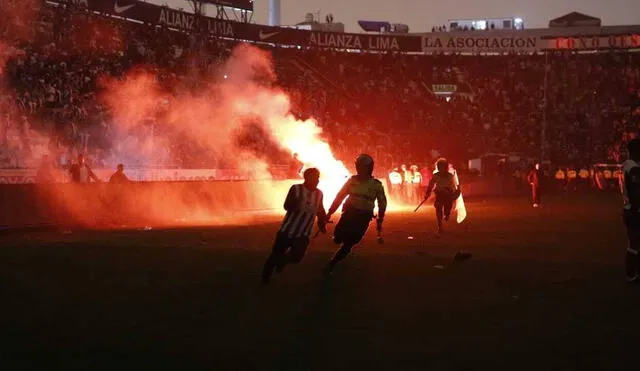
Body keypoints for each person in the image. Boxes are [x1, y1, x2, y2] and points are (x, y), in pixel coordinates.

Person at [324, 154, 387, 275]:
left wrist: (380, 218)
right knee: (338, 237)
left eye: (363, 167)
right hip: (349, 213)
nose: (360, 170)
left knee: (349, 243)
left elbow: (382, 203)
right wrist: (330, 212)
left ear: (369, 168)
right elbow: (340, 196)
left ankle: (332, 263)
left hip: (364, 217)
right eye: (359, 167)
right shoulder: (351, 181)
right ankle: (338, 244)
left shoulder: (376, 185)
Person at [262, 168, 327, 284]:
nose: (317, 180)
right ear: (306, 178)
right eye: (314, 177)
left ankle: (282, 262)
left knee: (297, 257)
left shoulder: (319, 194)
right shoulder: (296, 189)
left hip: (304, 233)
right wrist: (296, 205)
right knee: (275, 254)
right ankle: (265, 278)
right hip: (287, 230)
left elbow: (320, 209)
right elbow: (286, 206)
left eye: (317, 177)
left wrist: (322, 222)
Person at [423, 158, 460, 234]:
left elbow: (455, 186)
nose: (441, 169)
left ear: (445, 167)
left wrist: (455, 192)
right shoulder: (436, 175)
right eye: (440, 167)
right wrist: (427, 193)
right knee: (438, 208)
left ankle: (447, 214)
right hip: (439, 195)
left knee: (447, 208)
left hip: (448, 195)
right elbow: (431, 185)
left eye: (443, 167)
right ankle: (440, 226)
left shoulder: (450, 176)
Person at [621, 138, 640, 283]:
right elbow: (635, 193)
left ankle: (633, 272)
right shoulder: (633, 168)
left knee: (634, 242)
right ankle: (631, 274)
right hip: (634, 210)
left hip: (628, 208)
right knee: (634, 243)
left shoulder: (626, 165)